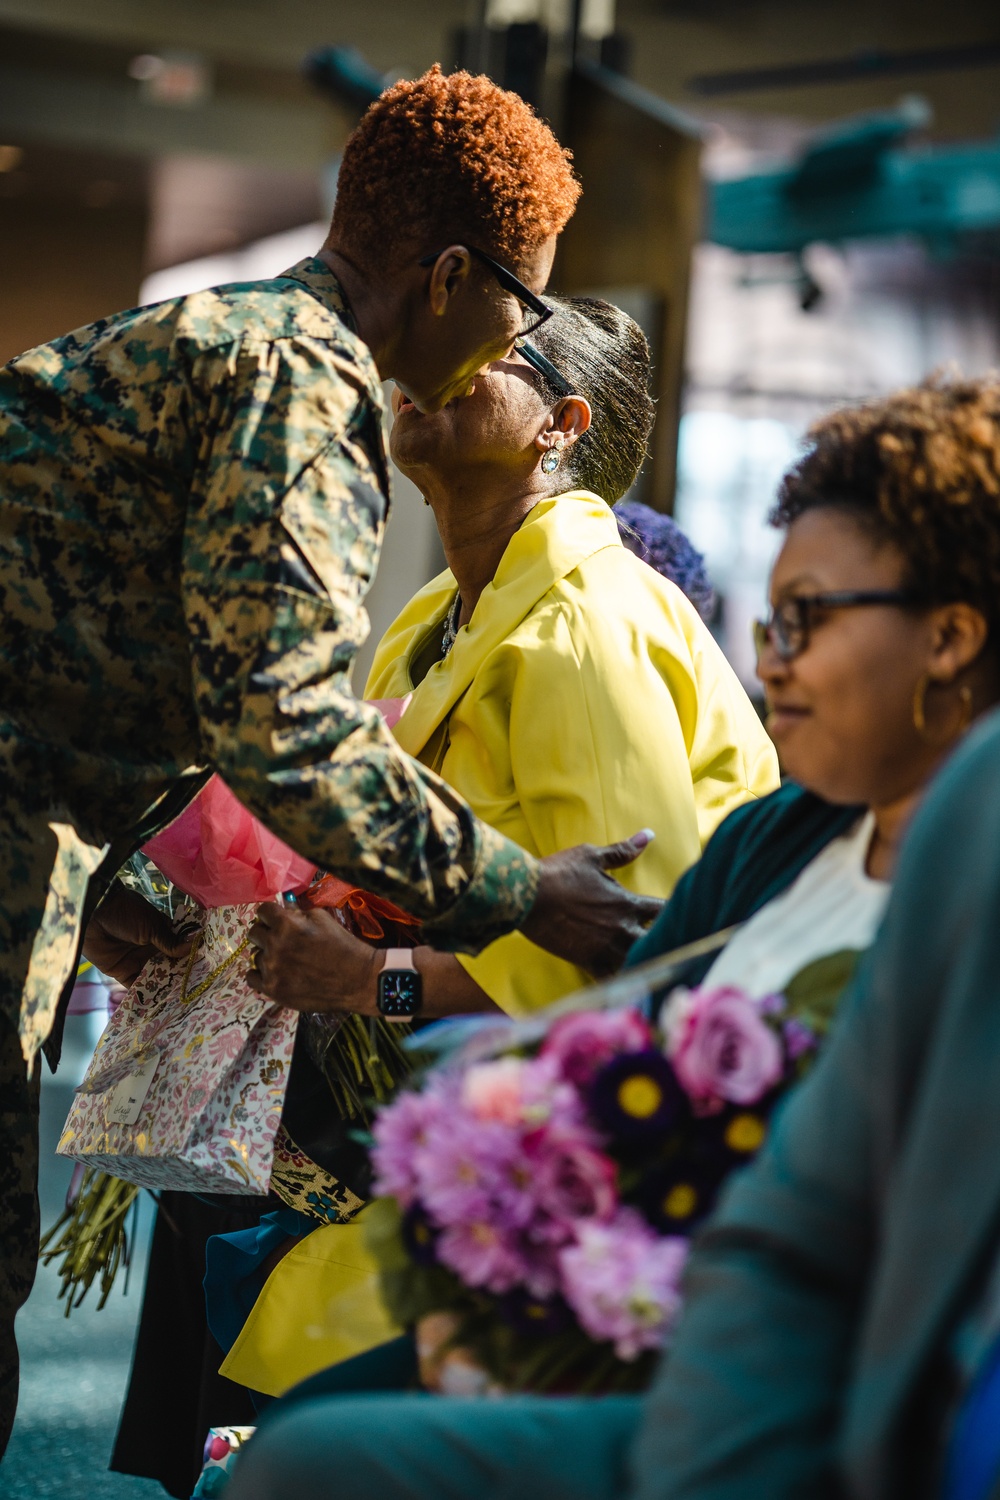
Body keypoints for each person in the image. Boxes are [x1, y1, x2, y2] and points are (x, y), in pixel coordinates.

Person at [0, 67, 662, 1458]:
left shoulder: (203, 334)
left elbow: (82, 639)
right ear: (451, 277)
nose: (513, 338)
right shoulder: (305, 385)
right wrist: (526, 893)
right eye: (525, 304)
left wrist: (102, 858)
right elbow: (281, 723)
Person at [224, 375, 1000, 1500]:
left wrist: (377, 982)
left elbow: (564, 987)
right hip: (639, 1310)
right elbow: (608, 1045)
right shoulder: (779, 844)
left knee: (308, 1458)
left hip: (778, 1368)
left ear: (950, 637)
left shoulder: (580, 629)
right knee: (300, 1443)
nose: (768, 662)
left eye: (806, 623)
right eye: (767, 624)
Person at [247, 297, 777, 1021]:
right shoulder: (437, 617)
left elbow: (629, 961)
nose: (425, 364)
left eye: (484, 349)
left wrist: (368, 981)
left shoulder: (583, 624)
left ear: (559, 425)